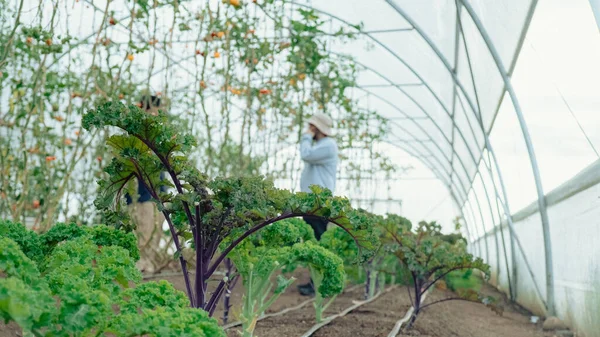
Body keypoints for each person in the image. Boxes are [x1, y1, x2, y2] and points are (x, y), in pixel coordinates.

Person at [297, 112, 338, 296]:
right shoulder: (322, 145)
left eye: (312, 126)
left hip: (318, 202)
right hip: (312, 202)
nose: (310, 129)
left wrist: (306, 136)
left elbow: (305, 154)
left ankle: (318, 284)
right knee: (314, 241)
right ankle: (315, 282)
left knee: (318, 242)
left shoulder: (328, 146)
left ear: (318, 128)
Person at [125, 95, 166, 274]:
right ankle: (141, 265)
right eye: (152, 110)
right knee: (143, 227)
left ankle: (148, 264)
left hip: (159, 192)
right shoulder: (137, 134)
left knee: (155, 229)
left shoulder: (159, 135)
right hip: (142, 195)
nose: (156, 113)